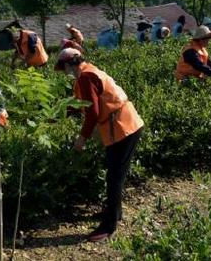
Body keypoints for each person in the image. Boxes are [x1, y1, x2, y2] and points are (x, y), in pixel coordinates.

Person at [55, 48, 144, 242]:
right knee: (115, 174)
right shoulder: (89, 71)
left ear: (70, 64)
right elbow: (83, 104)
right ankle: (115, 212)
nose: (65, 72)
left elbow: (92, 112)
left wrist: (82, 138)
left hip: (123, 127)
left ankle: (109, 225)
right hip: (126, 124)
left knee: (114, 177)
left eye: (65, 68)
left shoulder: (86, 77)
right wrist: (60, 112)